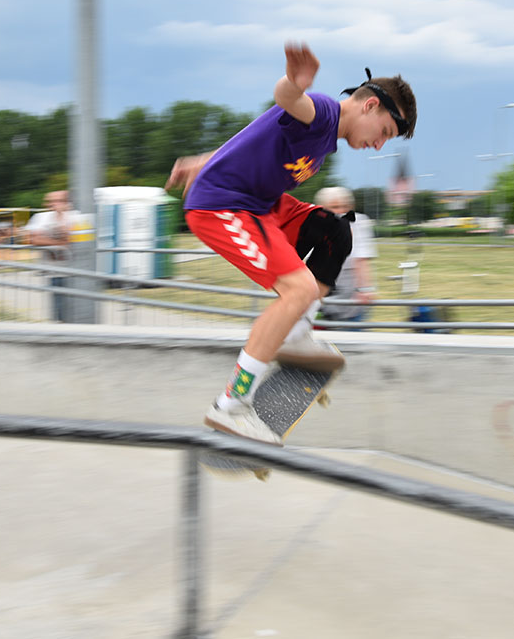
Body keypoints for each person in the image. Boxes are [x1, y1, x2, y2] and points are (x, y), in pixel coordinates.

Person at [164, 42, 416, 445]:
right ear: (370, 106)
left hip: (263, 205)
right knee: (297, 289)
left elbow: (254, 138)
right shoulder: (324, 113)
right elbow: (288, 98)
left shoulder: (326, 137)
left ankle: (296, 333)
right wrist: (294, 83)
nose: (379, 145)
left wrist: (206, 159)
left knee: (336, 232)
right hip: (222, 207)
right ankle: (231, 405)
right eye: (384, 132)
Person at [313, 186, 378, 325]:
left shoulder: (358, 223)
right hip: (321, 297)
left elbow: (361, 260)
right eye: (334, 207)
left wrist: (364, 289)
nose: (341, 211)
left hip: (350, 297)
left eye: (345, 206)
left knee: (350, 332)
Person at [25, 190, 88, 321]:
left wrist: (62, 221)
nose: (52, 204)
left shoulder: (78, 217)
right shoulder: (40, 217)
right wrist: (61, 243)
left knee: (79, 309)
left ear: (68, 202)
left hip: (76, 271)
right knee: (59, 311)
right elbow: (32, 239)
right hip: (54, 271)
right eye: (50, 201)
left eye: (57, 201)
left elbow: (78, 240)